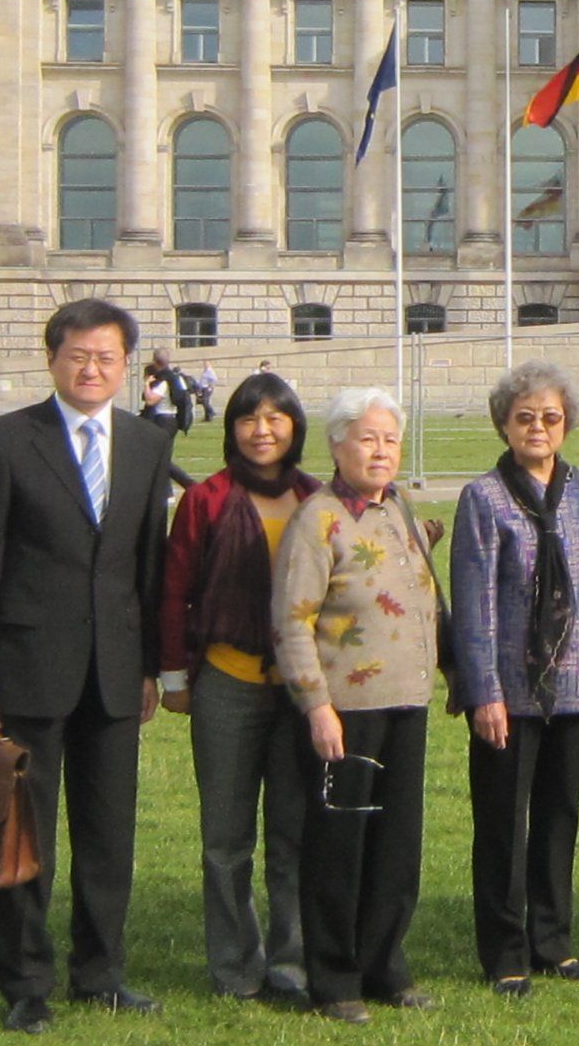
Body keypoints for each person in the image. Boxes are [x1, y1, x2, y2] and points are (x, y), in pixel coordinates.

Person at [0, 299, 173, 1033]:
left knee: (107, 833)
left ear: (125, 366)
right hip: (26, 667)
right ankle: (25, 982)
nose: (92, 369)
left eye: (106, 357)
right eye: (79, 356)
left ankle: (102, 973)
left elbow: (149, 564)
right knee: (24, 833)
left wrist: (152, 667)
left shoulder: (148, 442)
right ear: (53, 358)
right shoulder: (5, 440)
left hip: (115, 670)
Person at [451, 362, 579, 997]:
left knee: (559, 815)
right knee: (503, 822)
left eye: (550, 417)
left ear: (566, 424)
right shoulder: (484, 498)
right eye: (524, 417)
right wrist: (484, 692)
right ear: (504, 424)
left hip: (575, 682)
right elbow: (473, 605)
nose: (538, 428)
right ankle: (505, 951)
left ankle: (553, 941)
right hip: (508, 690)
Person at [273, 387, 445, 1024]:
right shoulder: (317, 520)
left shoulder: (399, 507)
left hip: (407, 704)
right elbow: (292, 621)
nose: (381, 451)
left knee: (395, 845)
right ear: (337, 445)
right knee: (338, 847)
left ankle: (384, 965)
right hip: (346, 711)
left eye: (390, 439)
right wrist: (316, 706)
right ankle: (334, 978)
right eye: (368, 438)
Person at [158, 372, 320, 1003]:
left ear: (295, 427)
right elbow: (175, 590)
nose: (262, 430)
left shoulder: (315, 497)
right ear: (231, 429)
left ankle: (292, 962)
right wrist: (174, 677)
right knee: (225, 841)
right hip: (226, 684)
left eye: (276, 417)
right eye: (249, 418)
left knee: (293, 834)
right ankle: (234, 966)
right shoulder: (207, 499)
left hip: (299, 692)